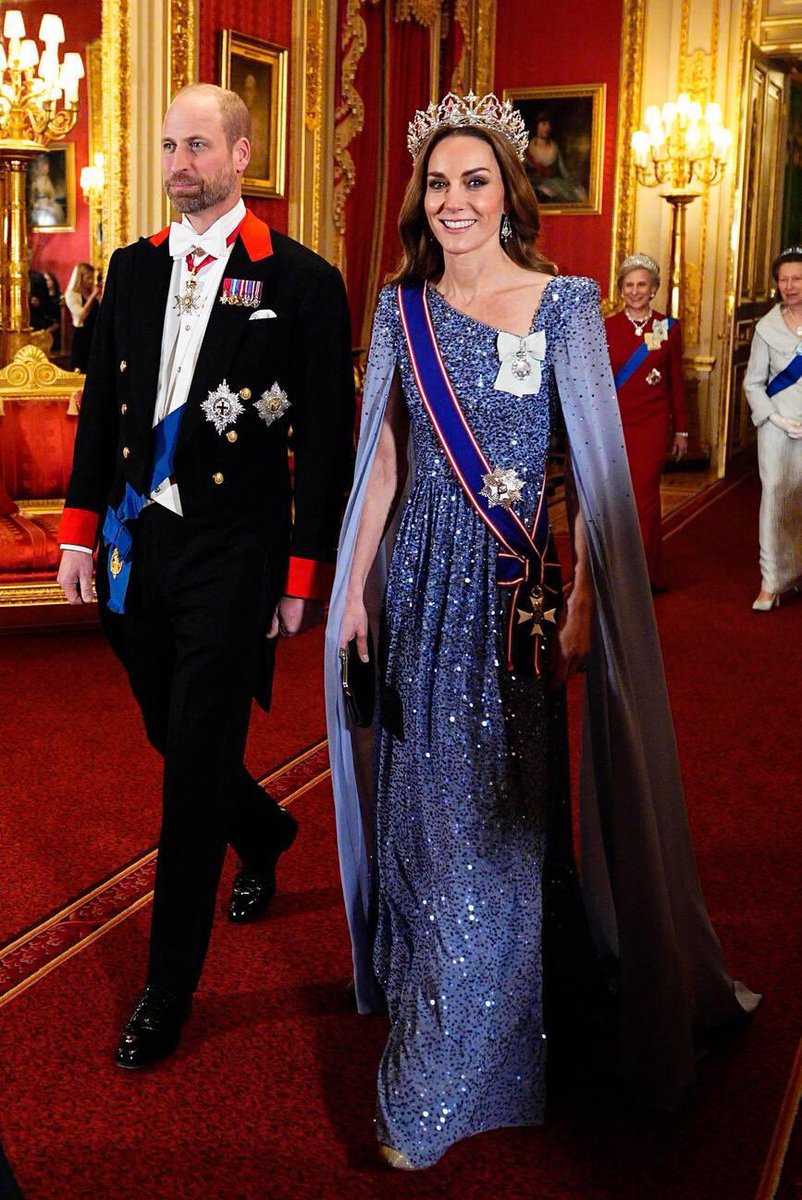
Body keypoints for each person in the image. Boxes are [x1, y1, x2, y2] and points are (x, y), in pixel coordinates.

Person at [325, 91, 758, 1171]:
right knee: (426, 809)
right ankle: (441, 1032)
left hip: (509, 594)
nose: (454, 200)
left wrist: (577, 601)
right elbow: (381, 463)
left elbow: (594, 480)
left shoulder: (564, 303)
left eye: (475, 181)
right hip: (416, 582)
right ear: (420, 201)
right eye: (437, 184)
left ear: (508, 192)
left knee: (501, 813)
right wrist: (350, 592)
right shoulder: (397, 309)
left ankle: (487, 1050)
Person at [57, 83, 354, 1069]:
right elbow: (104, 403)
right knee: (163, 723)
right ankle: (265, 829)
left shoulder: (301, 281)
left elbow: (324, 440)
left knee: (190, 765)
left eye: (198, 146)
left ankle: (165, 984)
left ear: (241, 155)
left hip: (235, 550)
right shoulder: (132, 269)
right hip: (139, 543)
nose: (179, 164)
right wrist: (74, 531)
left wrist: (302, 569)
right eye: (169, 145)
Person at [605, 254, 688, 590]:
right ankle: (614, 574)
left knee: (645, 499)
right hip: (613, 423)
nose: (635, 291)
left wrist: (681, 428)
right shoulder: (606, 326)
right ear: (621, 289)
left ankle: (646, 575)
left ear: (653, 289)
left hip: (652, 425)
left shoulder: (668, 327)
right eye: (628, 285)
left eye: (641, 285)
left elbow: (675, 381)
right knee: (612, 498)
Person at [744, 246, 802, 609]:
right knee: (775, 497)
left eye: (797, 279)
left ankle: (794, 568)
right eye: (784, 280)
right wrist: (774, 417)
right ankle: (771, 580)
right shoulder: (766, 328)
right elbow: (752, 382)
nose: (790, 286)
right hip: (777, 426)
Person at [524, 111, 586, 204]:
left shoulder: (554, 147)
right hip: (533, 188)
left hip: (555, 185)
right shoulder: (527, 149)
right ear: (536, 126)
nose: (547, 128)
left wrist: (576, 186)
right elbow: (520, 175)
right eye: (544, 124)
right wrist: (538, 187)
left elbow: (564, 172)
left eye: (549, 125)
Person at [65, 262, 103, 372]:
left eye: (92, 277)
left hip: (95, 334)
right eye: (88, 278)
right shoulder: (72, 294)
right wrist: (92, 296)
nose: (90, 281)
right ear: (80, 278)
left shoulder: (91, 291)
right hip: (82, 336)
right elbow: (81, 315)